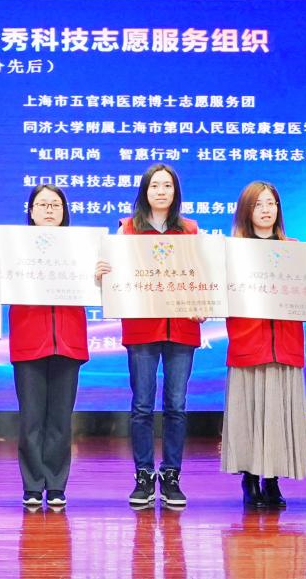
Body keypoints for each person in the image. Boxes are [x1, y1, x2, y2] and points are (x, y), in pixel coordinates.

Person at [95, 163, 201, 509]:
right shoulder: (126, 230)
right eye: (154, 185)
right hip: (141, 327)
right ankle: (143, 475)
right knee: (142, 404)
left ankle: (171, 475)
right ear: (144, 190)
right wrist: (102, 275)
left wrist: (206, 303)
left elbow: (203, 275)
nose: (161, 191)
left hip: (182, 326)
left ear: (176, 192)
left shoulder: (190, 230)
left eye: (167, 185)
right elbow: (112, 279)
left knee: (176, 405)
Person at [221, 181, 306, 508]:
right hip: (249, 341)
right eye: (258, 204)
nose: (265, 210)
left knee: (278, 412)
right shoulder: (232, 251)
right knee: (249, 413)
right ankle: (249, 478)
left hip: (285, 343)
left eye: (271, 203)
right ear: (246, 211)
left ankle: (272, 481)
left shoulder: (295, 249)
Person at [9, 185, 88, 509]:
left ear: (64, 211)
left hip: (68, 340)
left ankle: (55, 485)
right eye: (42, 204)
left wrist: (99, 273)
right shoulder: (13, 247)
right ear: (30, 212)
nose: (49, 210)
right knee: (31, 419)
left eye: (55, 205)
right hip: (29, 339)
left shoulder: (81, 247)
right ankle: (32, 485)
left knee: (59, 419)